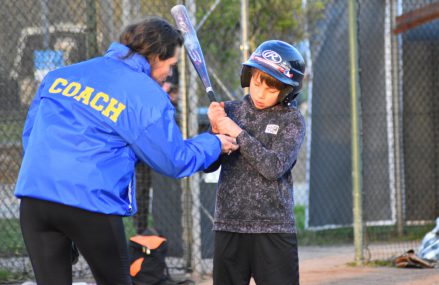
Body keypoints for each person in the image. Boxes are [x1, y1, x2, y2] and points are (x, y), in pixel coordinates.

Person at [14, 16, 238, 285]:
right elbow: (173, 160)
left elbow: (31, 137)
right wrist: (215, 143)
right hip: (90, 201)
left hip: (35, 198)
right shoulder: (145, 94)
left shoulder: (60, 76)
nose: (170, 73)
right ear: (156, 56)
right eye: (171, 65)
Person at [207, 40, 306, 285]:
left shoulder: (292, 120)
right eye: (256, 83)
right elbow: (208, 166)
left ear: (287, 91)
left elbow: (273, 167)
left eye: (271, 89)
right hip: (229, 224)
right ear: (247, 76)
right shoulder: (230, 111)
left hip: (273, 227)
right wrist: (215, 131)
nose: (260, 93)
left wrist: (237, 133)